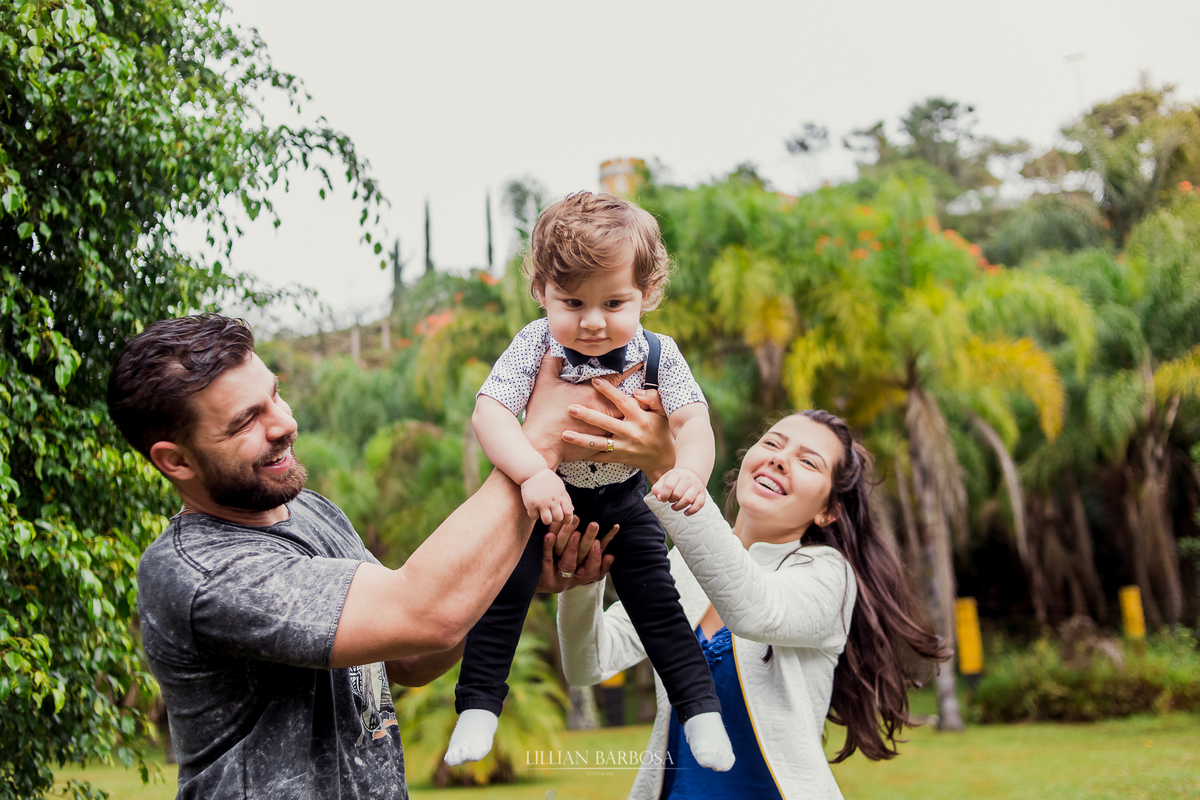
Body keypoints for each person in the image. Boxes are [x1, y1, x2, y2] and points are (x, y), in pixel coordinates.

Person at [105, 313, 624, 800]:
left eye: (275, 395)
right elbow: (423, 612)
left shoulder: (312, 513)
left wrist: (515, 577)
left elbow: (410, 657)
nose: (284, 423)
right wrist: (539, 446)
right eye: (246, 422)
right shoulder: (203, 571)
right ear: (175, 461)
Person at [448, 191, 735, 771]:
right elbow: (491, 412)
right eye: (571, 301)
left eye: (614, 301)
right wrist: (531, 473)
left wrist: (689, 473)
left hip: (625, 501)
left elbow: (692, 421)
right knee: (502, 593)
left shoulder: (661, 353)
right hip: (545, 494)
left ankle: (701, 713)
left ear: (648, 294)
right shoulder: (534, 343)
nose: (593, 320)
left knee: (659, 606)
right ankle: (478, 705)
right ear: (541, 293)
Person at [558, 408, 950, 800]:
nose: (780, 459)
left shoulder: (829, 576)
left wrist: (667, 467)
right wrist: (581, 584)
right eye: (773, 444)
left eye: (808, 461)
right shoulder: (684, 564)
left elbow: (753, 609)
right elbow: (590, 663)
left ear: (827, 510)